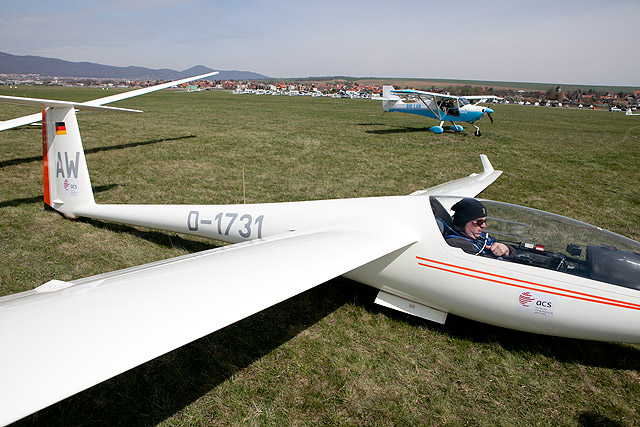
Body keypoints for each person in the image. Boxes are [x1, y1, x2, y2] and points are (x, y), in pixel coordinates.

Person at [444, 198, 514, 258]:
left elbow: (510, 249)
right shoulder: (456, 244)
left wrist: (507, 250)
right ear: (464, 221)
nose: (484, 226)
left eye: (485, 221)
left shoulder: (481, 237)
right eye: (480, 222)